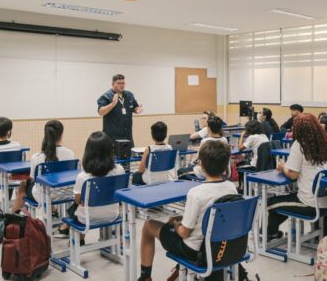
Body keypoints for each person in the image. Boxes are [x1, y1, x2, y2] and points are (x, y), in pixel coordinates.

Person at [137, 141, 237, 281]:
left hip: (194, 250)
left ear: (201, 165)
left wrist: (176, 225)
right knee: (179, 218)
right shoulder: (232, 187)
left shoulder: (196, 193)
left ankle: (145, 277)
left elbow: (184, 233)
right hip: (221, 246)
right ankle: (180, 269)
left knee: (149, 226)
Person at [267, 113, 327, 240]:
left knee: (271, 202)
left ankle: (269, 234)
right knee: (285, 201)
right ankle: (272, 233)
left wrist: (283, 167)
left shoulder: (300, 144)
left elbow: (293, 175)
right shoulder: (326, 142)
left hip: (309, 204)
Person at [56, 131, 126, 241]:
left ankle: (78, 241)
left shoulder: (83, 177)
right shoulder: (119, 170)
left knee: (76, 208)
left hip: (88, 218)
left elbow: (78, 200)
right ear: (110, 150)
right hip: (113, 214)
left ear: (88, 153)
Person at [12, 120, 74, 213]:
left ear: (46, 135)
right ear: (61, 134)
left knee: (24, 184)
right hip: (66, 193)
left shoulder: (37, 157)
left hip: (43, 196)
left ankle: (12, 217)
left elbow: (33, 178)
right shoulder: (70, 154)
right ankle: (53, 209)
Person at [97, 74, 143, 146]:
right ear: (113, 84)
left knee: (129, 156)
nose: (122, 85)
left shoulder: (129, 95)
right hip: (112, 138)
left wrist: (137, 110)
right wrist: (112, 104)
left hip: (127, 137)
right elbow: (100, 112)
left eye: (123, 83)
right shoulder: (106, 96)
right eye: (119, 83)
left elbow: (135, 107)